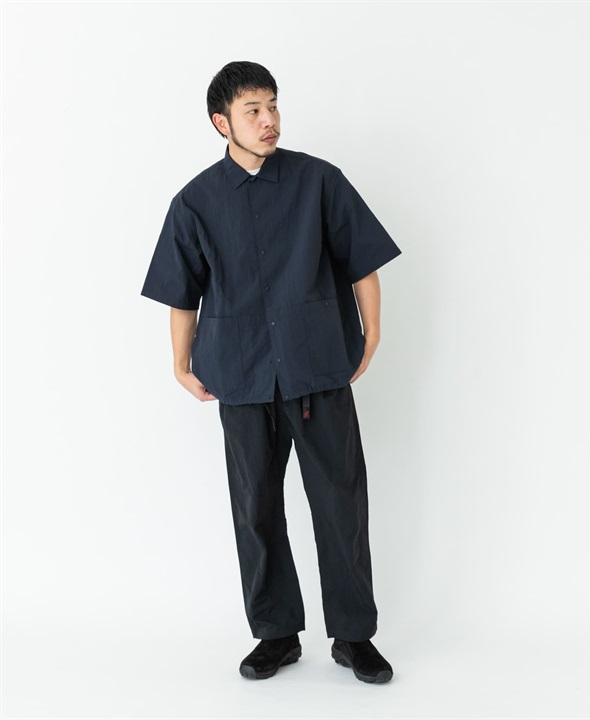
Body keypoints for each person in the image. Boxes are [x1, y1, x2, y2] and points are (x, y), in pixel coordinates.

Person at [141, 61, 402, 684]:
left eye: (274, 106)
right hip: (241, 373)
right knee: (255, 507)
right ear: (221, 122)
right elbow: (182, 293)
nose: (269, 121)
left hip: (318, 368)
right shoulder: (195, 201)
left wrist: (372, 334)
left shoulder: (319, 181)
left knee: (340, 502)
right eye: (253, 110)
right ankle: (276, 634)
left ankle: (353, 637)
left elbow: (363, 263)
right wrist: (179, 362)